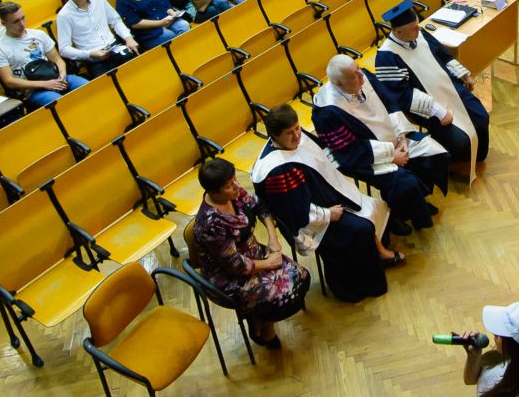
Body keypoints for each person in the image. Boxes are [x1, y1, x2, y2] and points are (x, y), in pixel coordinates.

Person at [253, 105, 400, 302]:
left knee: (375, 206)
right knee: (361, 229)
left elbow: (324, 155)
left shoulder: (297, 139)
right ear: (274, 136)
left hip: (327, 198)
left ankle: (377, 255)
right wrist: (328, 214)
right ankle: (355, 286)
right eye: (289, 133)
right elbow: (295, 210)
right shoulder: (277, 171)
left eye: (297, 128)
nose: (297, 136)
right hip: (312, 223)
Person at [191, 157, 309, 350]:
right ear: (213, 192)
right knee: (282, 300)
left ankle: (259, 317)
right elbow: (234, 265)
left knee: (302, 276)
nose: (237, 186)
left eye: (235, 179)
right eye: (229, 185)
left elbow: (260, 206)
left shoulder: (234, 194)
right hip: (228, 276)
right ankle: (263, 328)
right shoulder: (211, 224)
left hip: (253, 254)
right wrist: (269, 263)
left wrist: (273, 237)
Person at [315, 53, 447, 219]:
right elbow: (350, 150)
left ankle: (418, 199)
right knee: (405, 183)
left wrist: (401, 136)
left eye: (358, 69)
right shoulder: (327, 113)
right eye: (354, 75)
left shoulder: (364, 76)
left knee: (434, 153)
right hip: (364, 157)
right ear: (339, 84)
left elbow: (389, 102)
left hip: (393, 137)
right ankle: (399, 214)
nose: (361, 76)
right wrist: (391, 155)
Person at [375, 1, 490, 171]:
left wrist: (464, 74)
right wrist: (438, 111)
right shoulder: (386, 57)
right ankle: (448, 164)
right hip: (426, 105)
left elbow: (444, 56)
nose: (419, 29)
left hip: (450, 87)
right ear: (398, 32)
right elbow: (401, 95)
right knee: (460, 140)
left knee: (481, 117)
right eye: (414, 28)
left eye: (417, 25)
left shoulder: (419, 34)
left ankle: (478, 156)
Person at [0, 0, 87, 107]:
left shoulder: (39, 34)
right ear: (4, 23)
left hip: (55, 78)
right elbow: (9, 81)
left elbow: (57, 59)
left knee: (86, 86)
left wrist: (62, 74)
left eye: (23, 18)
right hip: (33, 90)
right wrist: (45, 84)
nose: (22, 24)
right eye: (16, 21)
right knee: (60, 102)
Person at [55, 0, 139, 77]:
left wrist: (128, 37)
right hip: (93, 57)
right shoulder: (64, 15)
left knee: (137, 66)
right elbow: (64, 49)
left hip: (114, 47)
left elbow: (115, 21)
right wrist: (90, 54)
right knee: (106, 80)